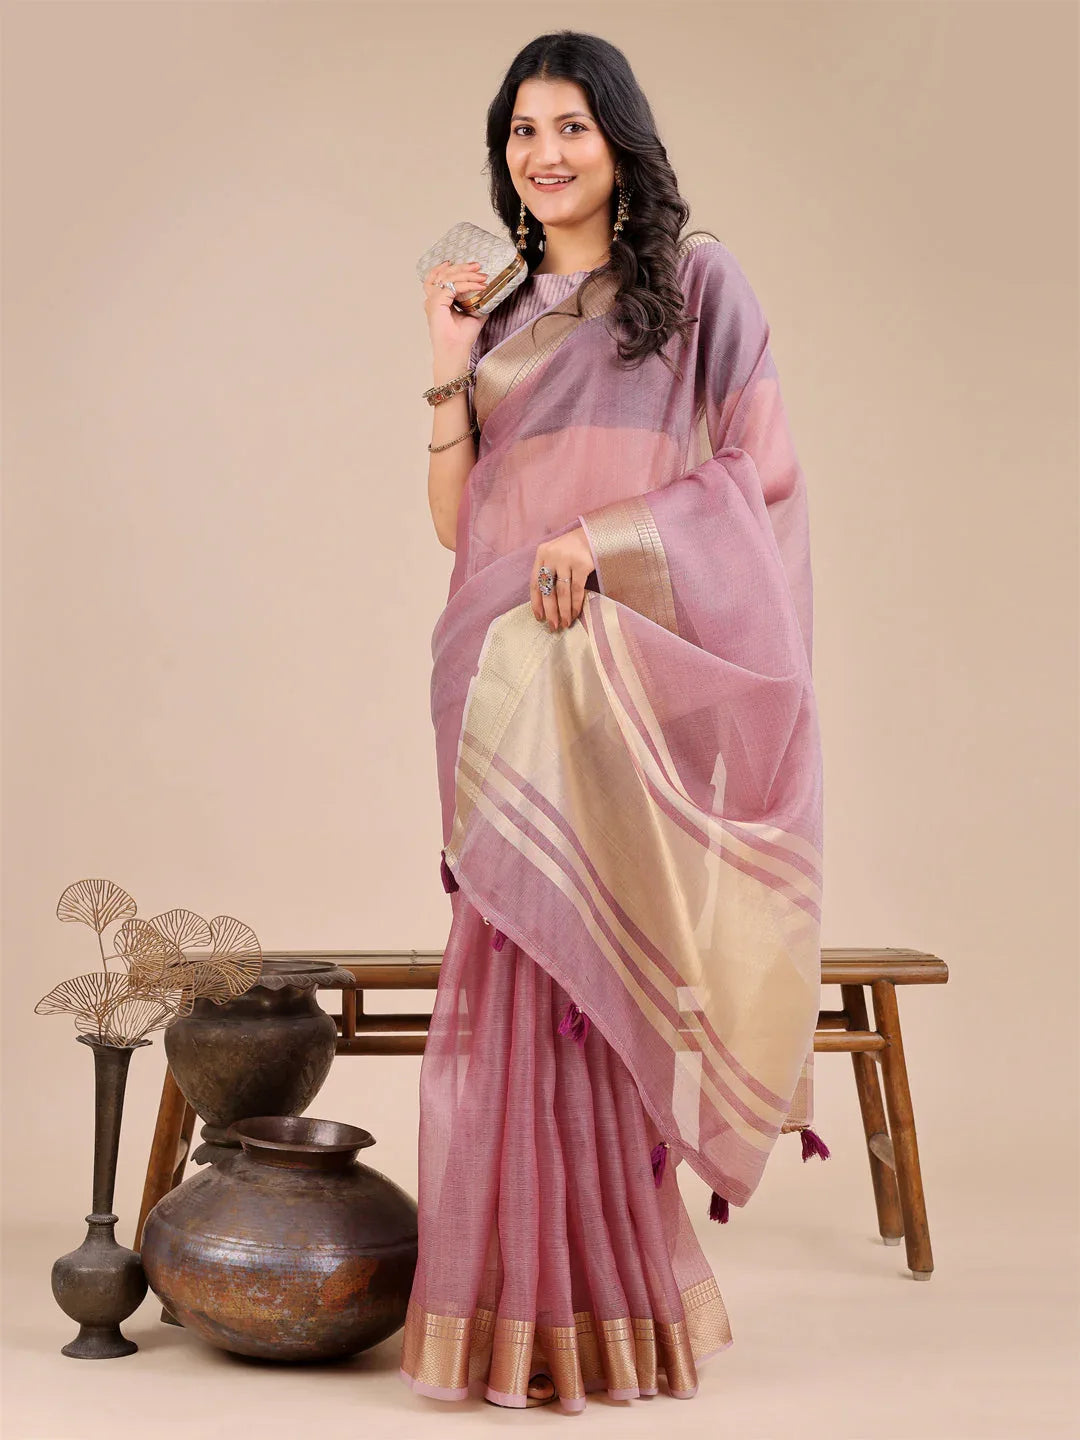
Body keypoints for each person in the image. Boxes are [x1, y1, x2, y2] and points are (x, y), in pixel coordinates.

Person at [400, 29, 826, 1415]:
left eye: (571, 126)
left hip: (626, 673)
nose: (545, 154)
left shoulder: (695, 287)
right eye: (522, 131)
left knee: (594, 994)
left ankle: (607, 1319)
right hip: (508, 676)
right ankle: (514, 1318)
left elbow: (760, 470)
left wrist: (609, 537)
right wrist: (448, 361)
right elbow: (460, 526)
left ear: (620, 140)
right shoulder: (501, 314)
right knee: (518, 983)